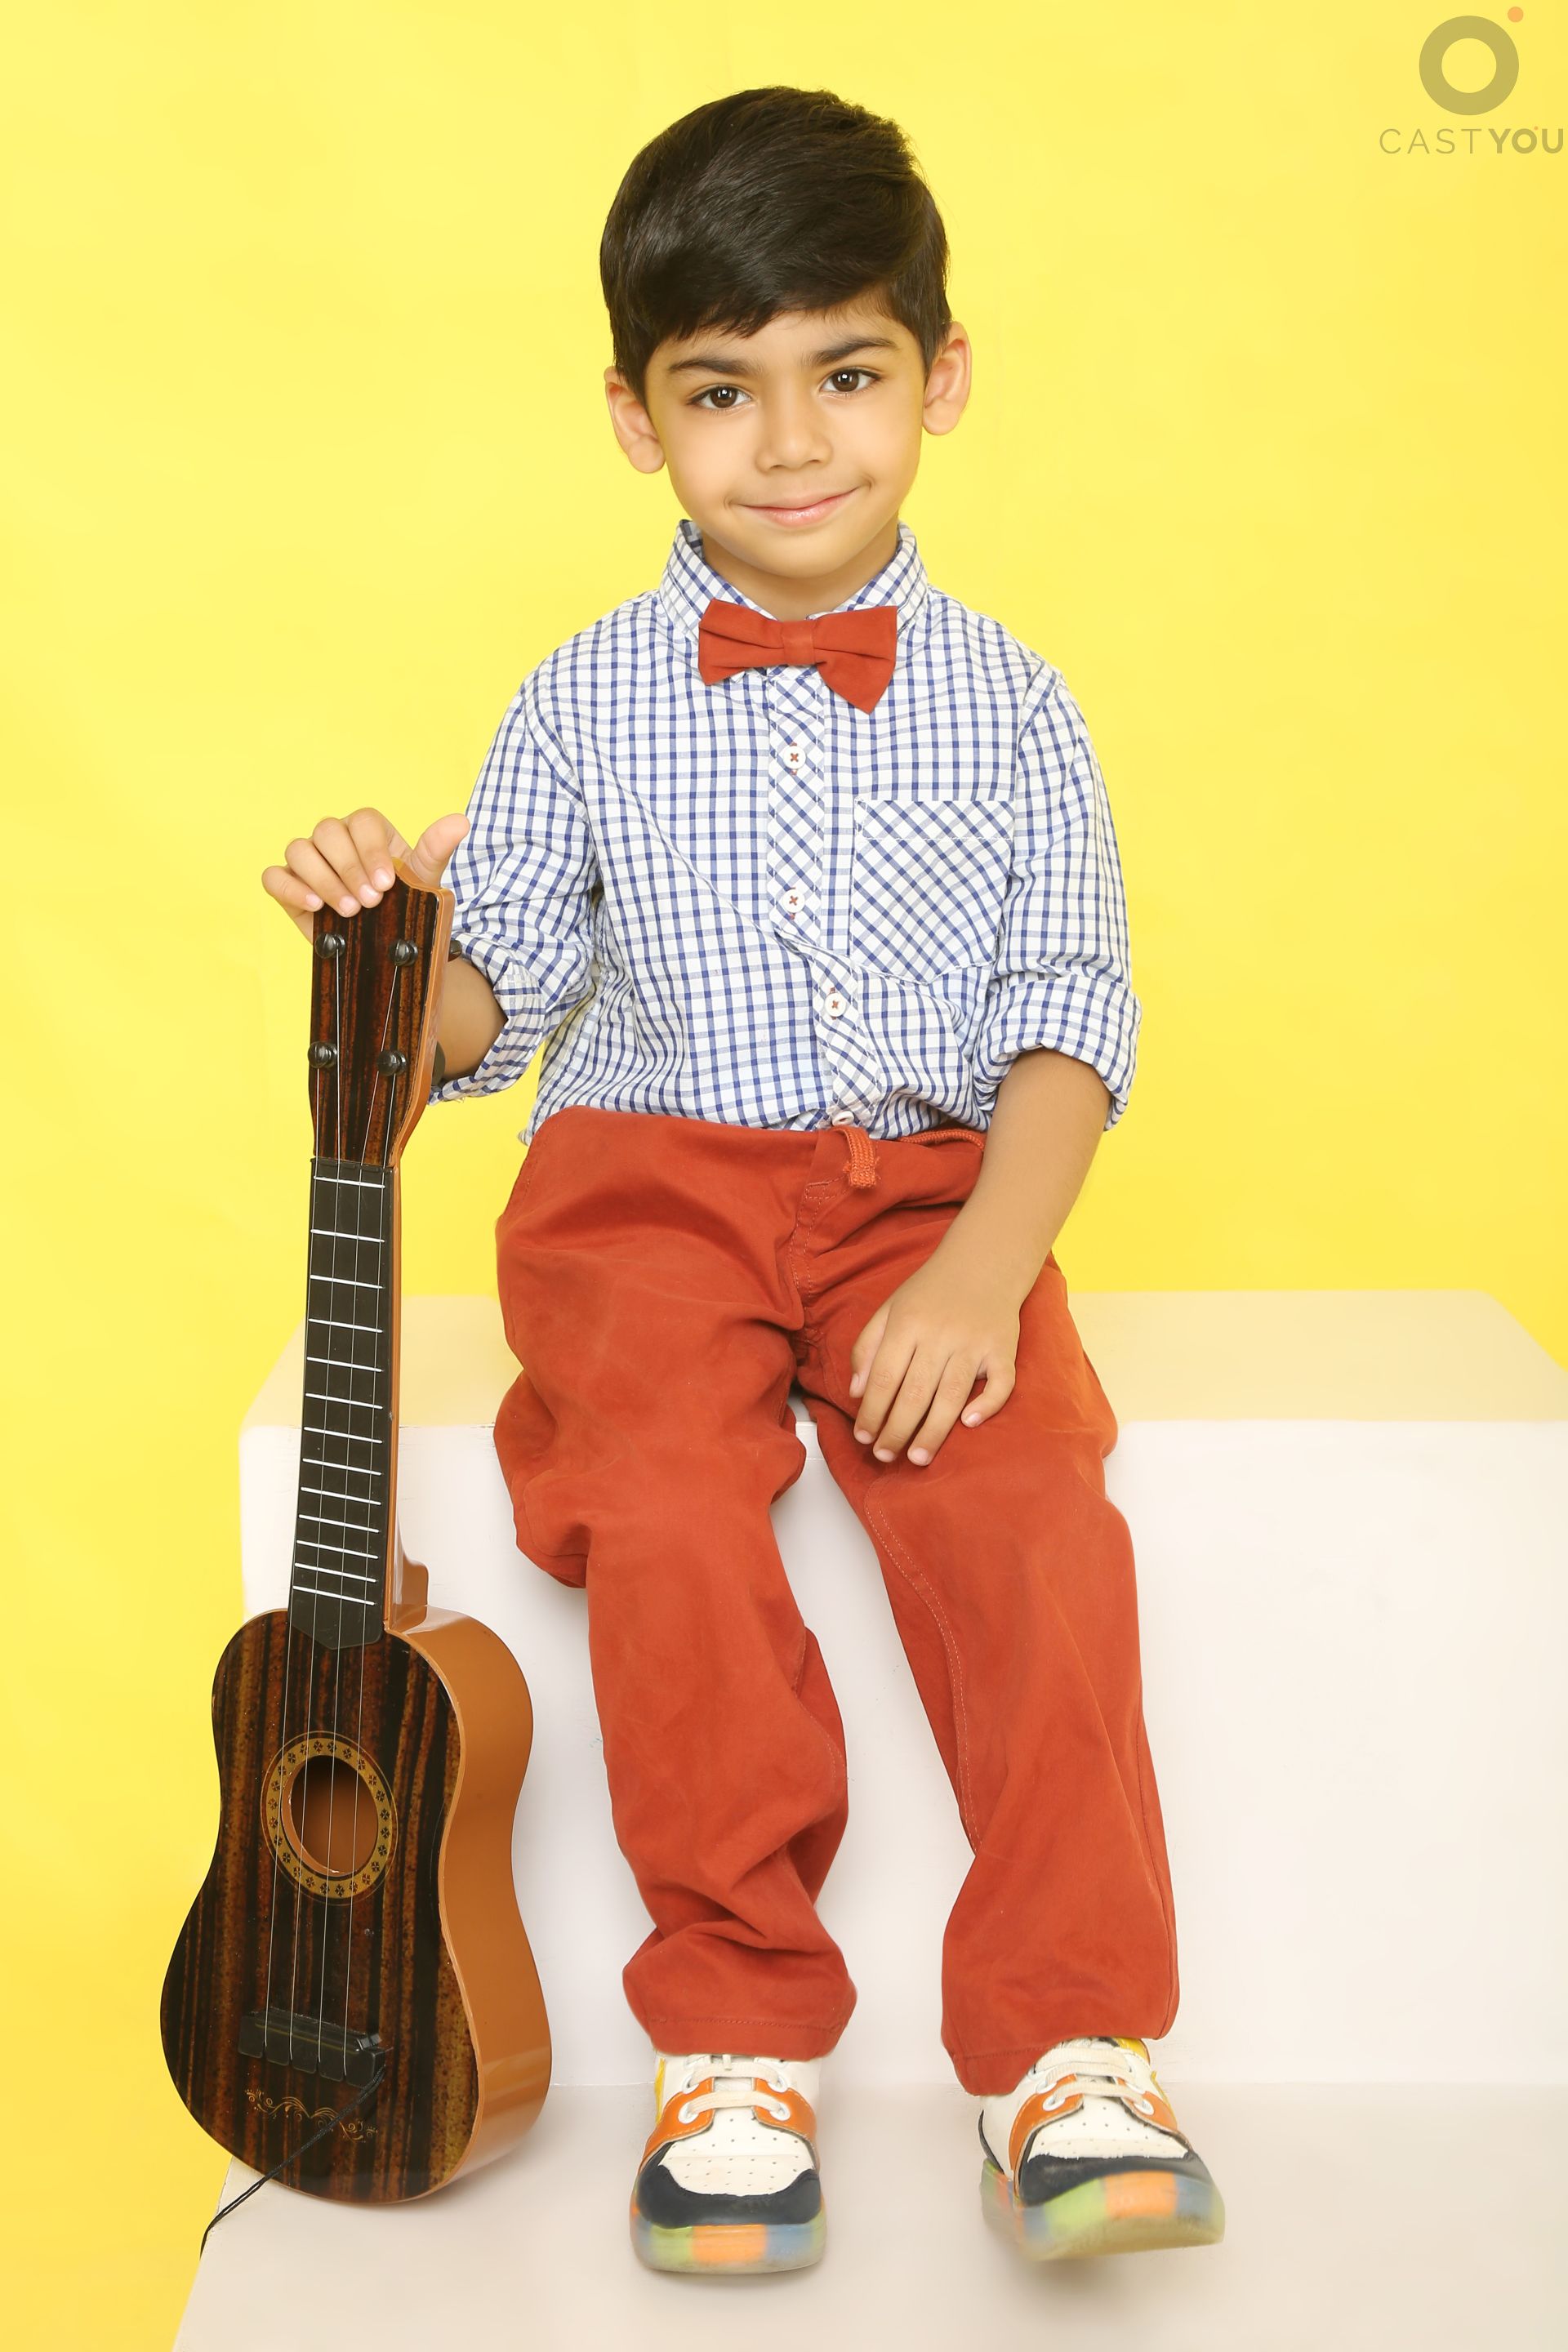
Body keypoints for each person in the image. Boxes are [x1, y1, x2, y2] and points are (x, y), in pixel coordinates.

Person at [262, 84, 1225, 2278]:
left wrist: (980, 1274)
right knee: (667, 1515)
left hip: (926, 1197)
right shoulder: (583, 701)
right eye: (721, 392)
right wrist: (388, 950)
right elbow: (490, 1002)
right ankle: (733, 2037)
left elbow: (1071, 1014)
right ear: (637, 420)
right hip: (648, 1195)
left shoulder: (1018, 707)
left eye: (845, 374)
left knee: (1033, 1527)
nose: (791, 444)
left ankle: (1070, 2048)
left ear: (941, 378)